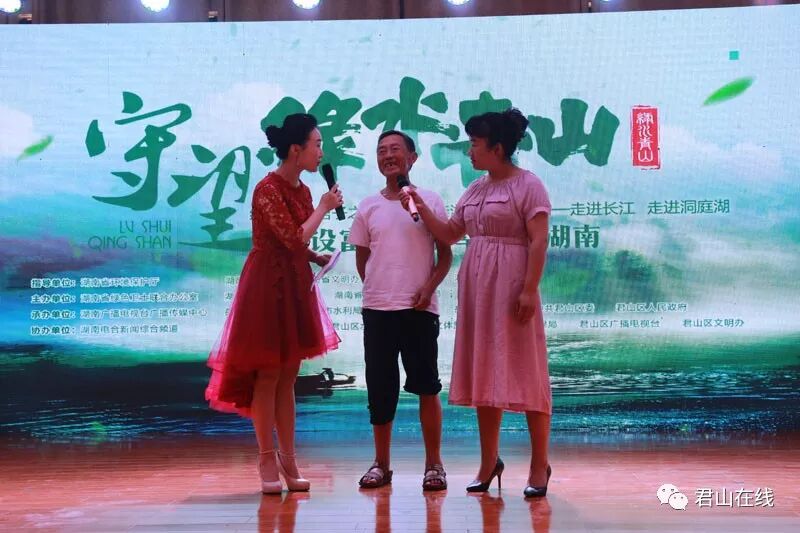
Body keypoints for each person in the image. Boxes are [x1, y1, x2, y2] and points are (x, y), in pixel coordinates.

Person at [402, 109, 553, 498]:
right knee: (486, 373)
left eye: (474, 144)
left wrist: (529, 289)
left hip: (513, 288)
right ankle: (489, 462)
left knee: (529, 371)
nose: (469, 151)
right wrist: (419, 203)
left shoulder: (529, 185)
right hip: (479, 290)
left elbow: (539, 240)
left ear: (497, 148)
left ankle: (539, 464)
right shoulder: (475, 189)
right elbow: (450, 234)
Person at [205, 113, 343, 494]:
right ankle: (266, 457)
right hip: (267, 286)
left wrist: (314, 256)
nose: (321, 152)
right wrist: (324, 208)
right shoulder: (267, 188)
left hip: (295, 282)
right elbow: (290, 236)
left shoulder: (304, 190)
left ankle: (288, 458)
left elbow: (297, 243)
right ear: (296, 150)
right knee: (268, 375)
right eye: (317, 145)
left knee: (289, 375)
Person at [348, 130, 453, 491]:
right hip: (378, 311)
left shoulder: (429, 201)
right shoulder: (368, 206)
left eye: (395, 149)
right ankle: (381, 464)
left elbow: (445, 254)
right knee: (380, 389)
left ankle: (434, 465)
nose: (388, 156)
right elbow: (363, 260)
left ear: (412, 158)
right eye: (382, 151)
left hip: (420, 309)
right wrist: (382, 289)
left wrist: (428, 288)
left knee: (427, 387)